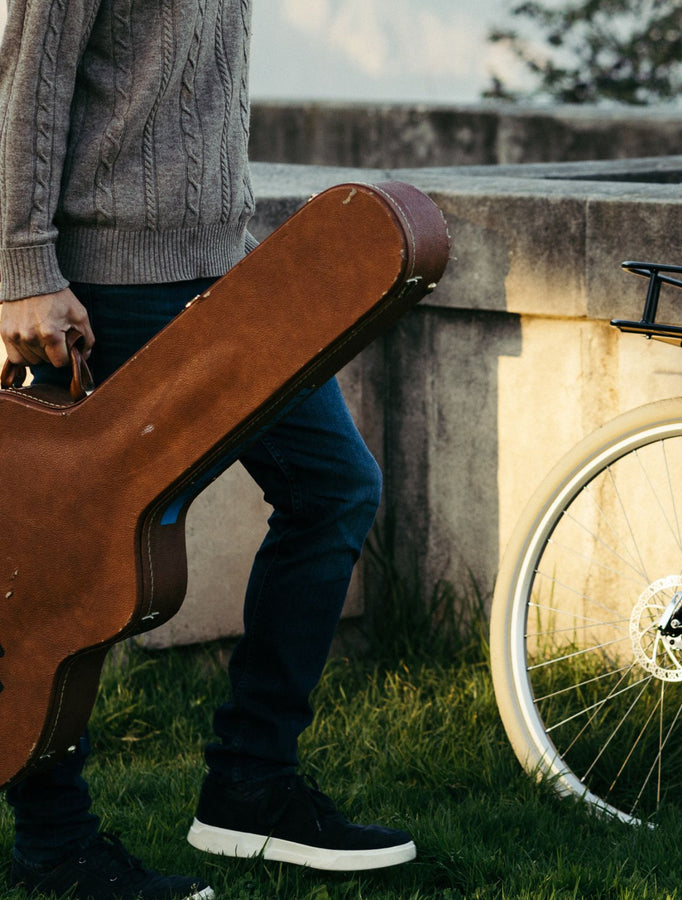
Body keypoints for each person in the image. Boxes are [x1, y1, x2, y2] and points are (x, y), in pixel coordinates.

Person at [0, 2, 416, 898]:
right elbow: (25, 82)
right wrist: (22, 267)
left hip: (223, 264)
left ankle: (249, 786)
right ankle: (53, 847)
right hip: (102, 282)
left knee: (334, 489)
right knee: (64, 568)